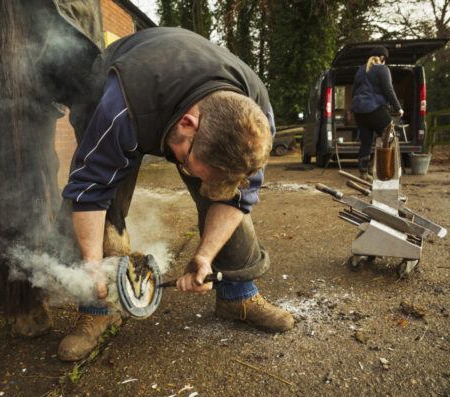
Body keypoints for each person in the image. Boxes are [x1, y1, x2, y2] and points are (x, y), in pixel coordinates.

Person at [57, 27, 294, 362]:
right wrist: (93, 265)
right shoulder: (120, 108)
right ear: (187, 123)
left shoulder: (256, 119)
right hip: (123, 87)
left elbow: (239, 199)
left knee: (228, 195)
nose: (182, 171)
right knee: (106, 200)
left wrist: (205, 257)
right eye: (185, 162)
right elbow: (88, 189)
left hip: (180, 97)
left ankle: (237, 296)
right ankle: (97, 308)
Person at [351, 46, 404, 181]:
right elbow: (388, 90)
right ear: (382, 58)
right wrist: (398, 107)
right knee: (389, 137)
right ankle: (382, 169)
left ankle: (364, 172)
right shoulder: (382, 69)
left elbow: (353, 92)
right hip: (375, 109)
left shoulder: (360, 70)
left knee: (366, 142)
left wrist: (354, 108)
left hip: (359, 111)